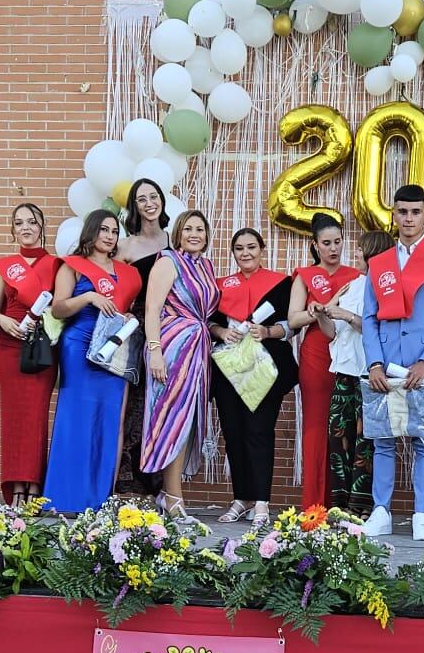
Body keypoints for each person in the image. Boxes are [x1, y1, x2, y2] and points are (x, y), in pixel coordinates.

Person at [358, 184, 424, 541]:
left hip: (423, 369)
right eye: (402, 212)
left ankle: (420, 513)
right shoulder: (380, 263)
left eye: (415, 212)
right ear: (394, 214)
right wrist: (373, 364)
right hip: (385, 365)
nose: (408, 219)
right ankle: (381, 510)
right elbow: (369, 318)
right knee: (383, 440)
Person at [41, 209, 143, 513]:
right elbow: (58, 308)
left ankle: (100, 498)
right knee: (76, 419)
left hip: (112, 350)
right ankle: (66, 497)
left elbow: (129, 310)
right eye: (104, 230)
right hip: (79, 345)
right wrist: (88, 298)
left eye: (114, 231)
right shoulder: (72, 266)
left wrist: (126, 316)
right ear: (92, 231)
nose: (110, 236)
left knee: (110, 420)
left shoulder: (129, 273)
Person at [208, 227, 300, 526]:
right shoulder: (220, 286)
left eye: (251, 247)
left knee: (259, 432)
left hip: (264, 368)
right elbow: (208, 322)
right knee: (233, 433)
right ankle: (241, 498)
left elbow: (292, 325)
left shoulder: (281, 284)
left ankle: (261, 501)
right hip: (229, 368)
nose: (245, 253)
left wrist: (269, 331)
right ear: (233, 253)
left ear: (262, 249)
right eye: (239, 248)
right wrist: (221, 331)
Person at [288, 213, 370, 513]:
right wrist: (319, 310)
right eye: (326, 243)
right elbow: (293, 319)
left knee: (349, 429)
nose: (333, 248)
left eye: (338, 242)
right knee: (316, 426)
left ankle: (346, 501)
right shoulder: (305, 275)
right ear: (315, 245)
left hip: (352, 356)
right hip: (317, 354)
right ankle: (313, 502)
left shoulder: (357, 274)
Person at [140, 210, 217, 517]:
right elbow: (151, 308)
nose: (195, 233)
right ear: (178, 233)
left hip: (197, 350)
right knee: (172, 419)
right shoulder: (168, 262)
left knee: (185, 422)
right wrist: (155, 351)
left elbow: (206, 315)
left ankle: (169, 494)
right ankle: (174, 499)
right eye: (188, 228)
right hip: (171, 348)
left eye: (200, 228)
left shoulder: (206, 267)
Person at [0, 204, 60, 504]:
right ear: (13, 229)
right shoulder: (4, 266)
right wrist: (2, 320)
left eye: (32, 222)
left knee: (36, 416)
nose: (26, 227)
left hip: (41, 346)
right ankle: (15, 487)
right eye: (19, 223)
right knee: (13, 418)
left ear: (42, 227)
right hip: (9, 344)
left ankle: (34, 486)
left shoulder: (58, 265)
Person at [115, 180, 172, 498]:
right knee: (136, 403)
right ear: (134, 207)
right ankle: (130, 480)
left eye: (154, 196)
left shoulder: (173, 241)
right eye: (141, 199)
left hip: (171, 329)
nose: (149, 203)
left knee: (163, 402)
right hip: (137, 331)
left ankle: (160, 480)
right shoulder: (125, 246)